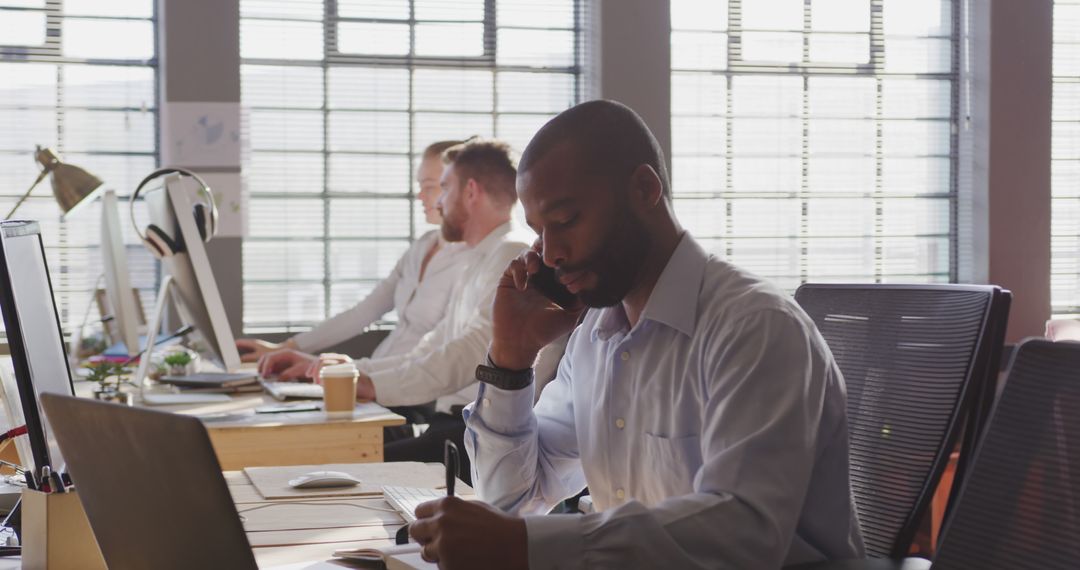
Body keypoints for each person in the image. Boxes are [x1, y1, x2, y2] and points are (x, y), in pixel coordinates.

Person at [406, 100, 866, 569]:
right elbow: (512, 500)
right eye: (540, 232)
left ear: (645, 189)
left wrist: (527, 545)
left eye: (564, 222)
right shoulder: (595, 337)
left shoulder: (755, 328)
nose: (550, 255)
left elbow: (744, 533)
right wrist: (510, 358)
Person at [259, 139, 560, 475]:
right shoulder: (480, 257)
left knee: (336, 467)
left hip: (482, 436)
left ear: (470, 192)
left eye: (444, 188)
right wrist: (358, 372)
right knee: (325, 457)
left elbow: (473, 352)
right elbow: (431, 347)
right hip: (455, 424)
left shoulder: (511, 253)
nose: (439, 201)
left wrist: (372, 383)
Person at [235, 140, 470, 376]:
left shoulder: (472, 263)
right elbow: (363, 312)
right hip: (375, 377)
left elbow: (439, 357)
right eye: (420, 185)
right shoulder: (422, 247)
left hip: (406, 385)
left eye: (430, 186)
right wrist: (287, 347)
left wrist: (350, 370)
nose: (419, 196)